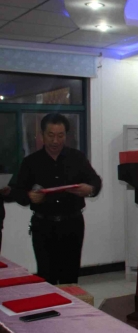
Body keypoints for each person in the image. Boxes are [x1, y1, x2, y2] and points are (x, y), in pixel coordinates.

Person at [12, 113, 101, 285]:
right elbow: (17, 191)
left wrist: (89, 189)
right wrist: (29, 197)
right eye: (51, 135)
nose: (55, 141)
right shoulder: (31, 162)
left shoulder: (77, 157)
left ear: (66, 135)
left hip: (72, 224)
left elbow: (95, 181)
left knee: (70, 275)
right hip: (43, 226)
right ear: (42, 135)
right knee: (46, 276)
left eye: (60, 136)